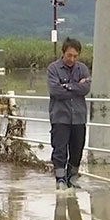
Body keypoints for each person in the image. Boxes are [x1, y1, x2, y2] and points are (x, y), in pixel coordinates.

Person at [47, 37, 91, 190]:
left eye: (75, 56)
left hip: (79, 117)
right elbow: (55, 91)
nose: (72, 59)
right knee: (59, 149)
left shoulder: (82, 69)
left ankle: (72, 177)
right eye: (69, 55)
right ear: (63, 53)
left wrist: (67, 86)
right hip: (60, 116)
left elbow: (86, 89)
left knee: (77, 148)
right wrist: (76, 87)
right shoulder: (53, 68)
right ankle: (60, 179)